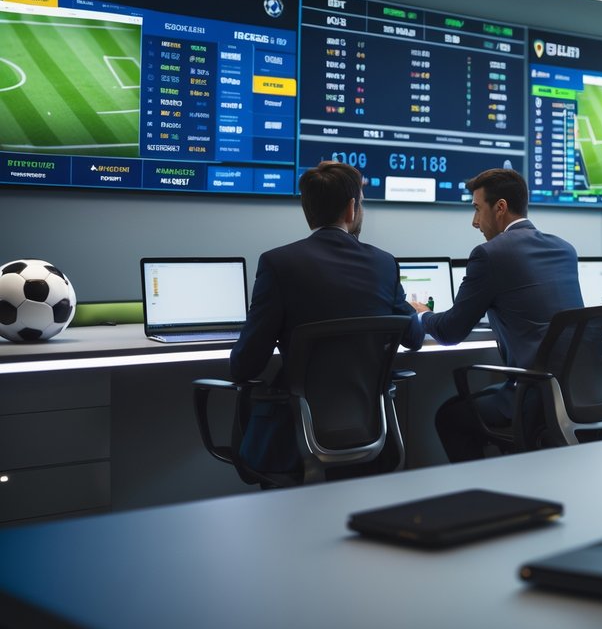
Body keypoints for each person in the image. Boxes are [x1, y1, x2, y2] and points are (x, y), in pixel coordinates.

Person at [231, 161, 425, 473]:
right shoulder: (383, 264)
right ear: (352, 208)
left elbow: (246, 365)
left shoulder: (278, 264)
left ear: (307, 211)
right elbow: (414, 338)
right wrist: (415, 314)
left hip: (295, 433)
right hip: (371, 430)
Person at [415, 168, 582, 462]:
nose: (475, 222)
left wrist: (424, 316)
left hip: (533, 396)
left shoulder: (490, 254)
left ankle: (482, 498)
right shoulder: (564, 249)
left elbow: (451, 332)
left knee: (449, 417)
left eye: (478, 209)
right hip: (576, 391)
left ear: (500, 207)